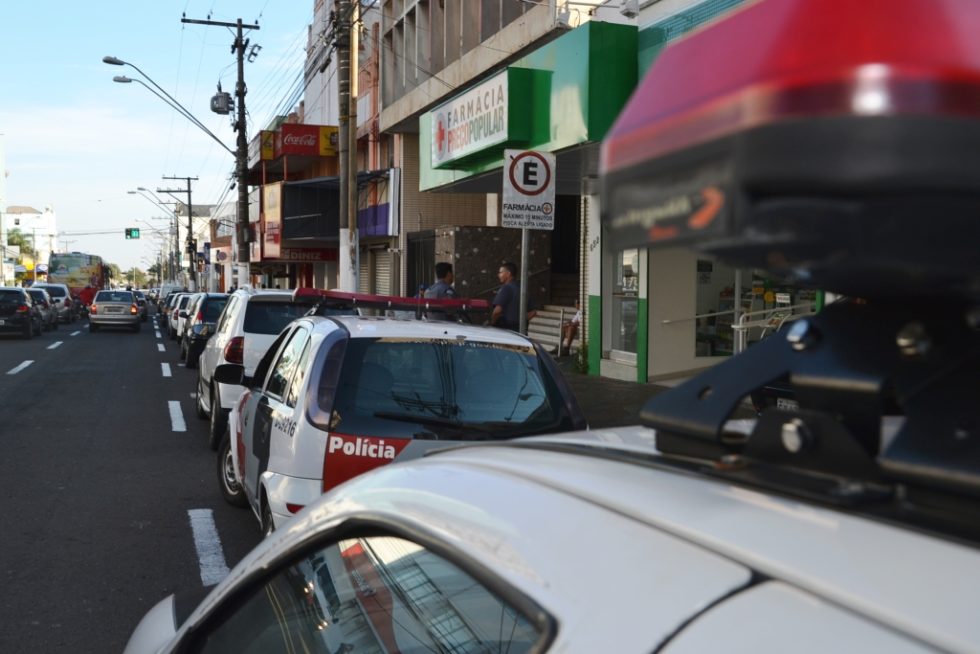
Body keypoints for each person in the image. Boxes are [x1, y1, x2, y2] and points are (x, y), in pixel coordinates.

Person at [491, 262, 537, 332]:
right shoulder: (523, 289)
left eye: (501, 272)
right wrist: (520, 322)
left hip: (506, 331)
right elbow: (533, 312)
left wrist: (493, 322)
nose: (498, 275)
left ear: (508, 274)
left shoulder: (507, 288)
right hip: (521, 332)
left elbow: (497, 312)